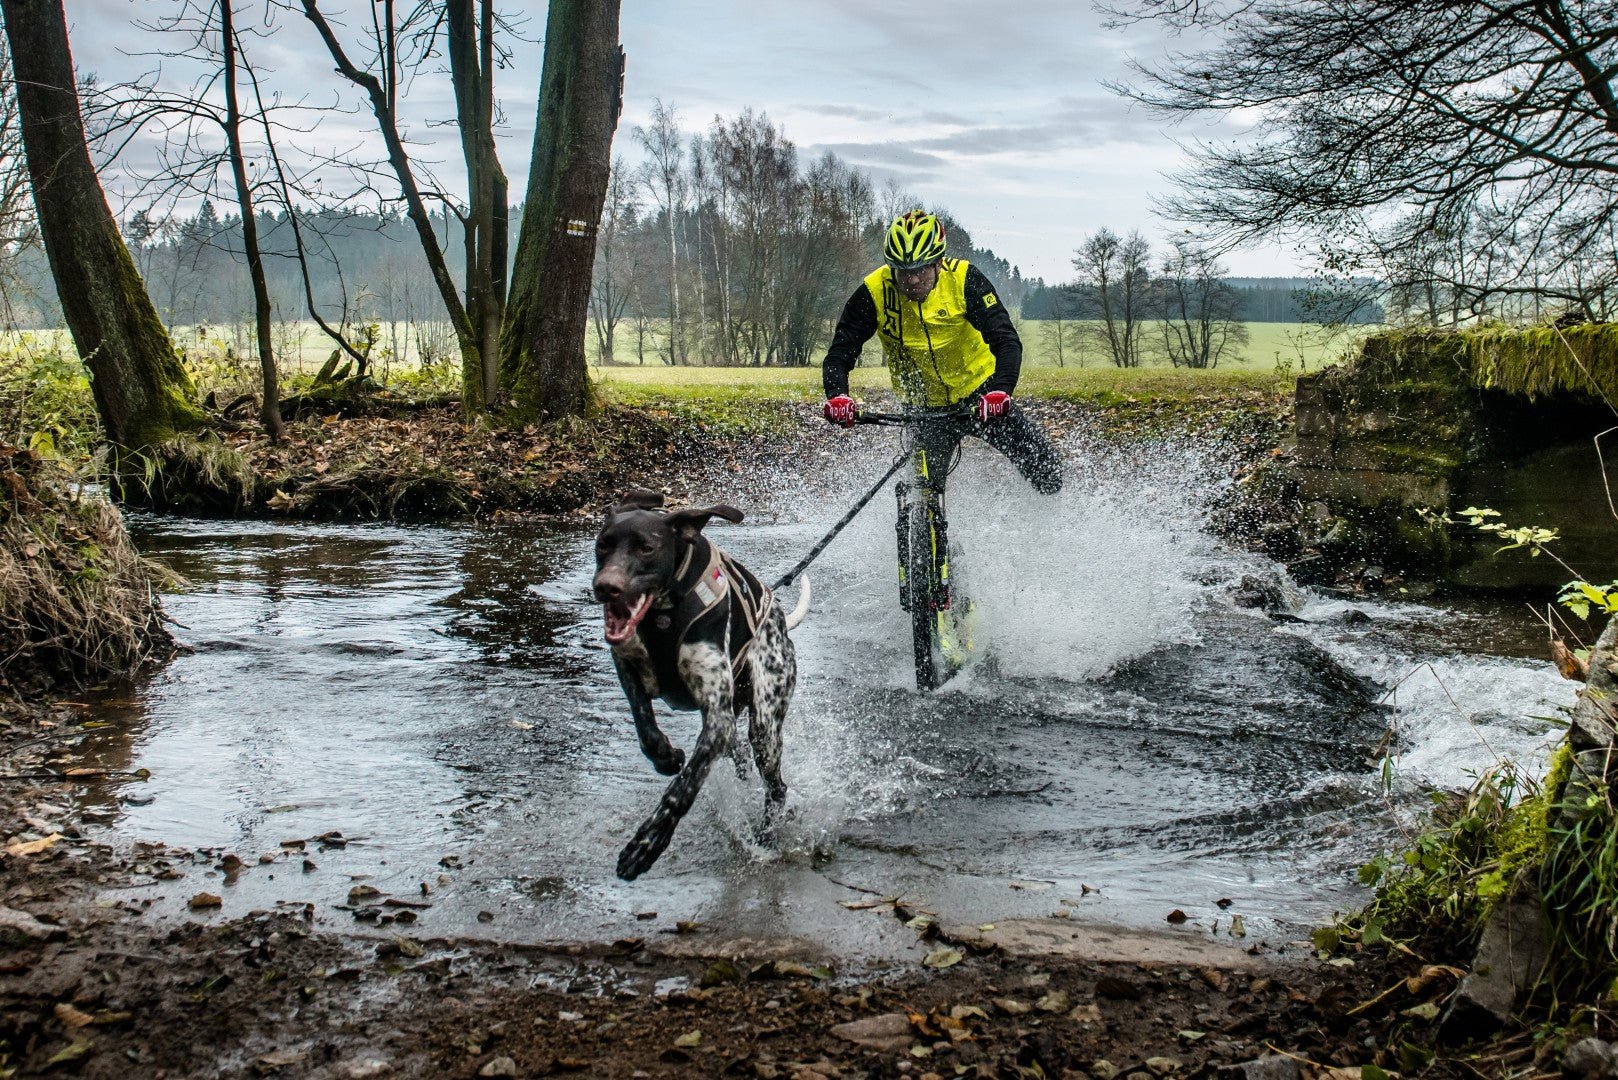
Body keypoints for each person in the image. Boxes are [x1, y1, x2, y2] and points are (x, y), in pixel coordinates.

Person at [820, 210, 1062, 495]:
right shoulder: (874, 292)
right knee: (925, 495)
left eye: (921, 269)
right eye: (903, 271)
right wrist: (837, 395)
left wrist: (1000, 391)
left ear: (938, 263)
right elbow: (840, 353)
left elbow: (1007, 342)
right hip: (924, 407)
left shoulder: (965, 280)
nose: (912, 280)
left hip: (980, 394)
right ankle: (929, 532)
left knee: (1047, 474)